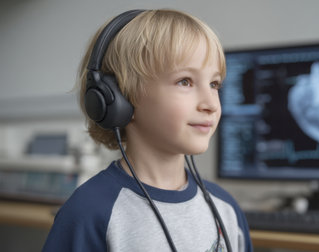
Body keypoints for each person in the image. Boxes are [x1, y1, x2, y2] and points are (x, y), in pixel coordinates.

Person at [42, 9, 252, 252]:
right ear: (121, 97)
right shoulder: (90, 212)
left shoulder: (226, 209)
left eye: (214, 84)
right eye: (185, 81)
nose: (210, 104)